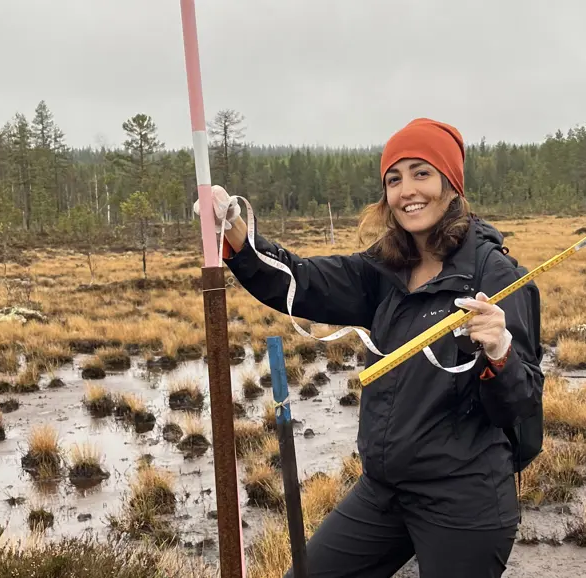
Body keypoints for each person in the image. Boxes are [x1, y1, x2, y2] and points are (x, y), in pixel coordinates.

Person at [198, 118, 544, 577]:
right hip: (384, 491)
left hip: (465, 499)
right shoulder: (383, 270)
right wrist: (238, 234)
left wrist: (500, 351)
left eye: (422, 173)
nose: (407, 191)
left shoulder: (496, 277)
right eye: (394, 179)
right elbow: (301, 281)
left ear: (450, 183)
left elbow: (521, 404)